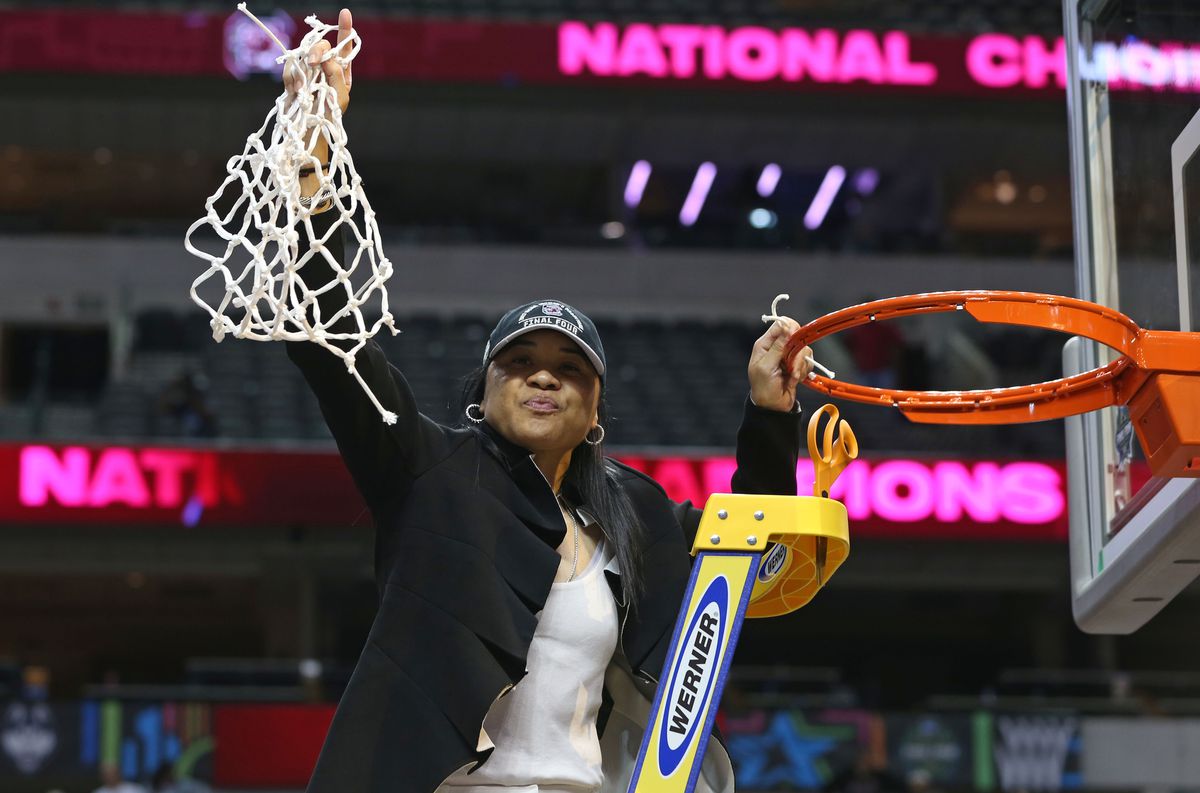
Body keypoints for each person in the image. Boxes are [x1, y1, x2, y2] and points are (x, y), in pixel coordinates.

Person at [281, 10, 815, 793]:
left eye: (569, 368)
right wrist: (314, 158)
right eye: (520, 361)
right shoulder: (430, 469)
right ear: (486, 388)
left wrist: (771, 418)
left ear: (596, 409)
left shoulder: (638, 511)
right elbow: (334, 347)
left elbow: (746, 570)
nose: (542, 376)